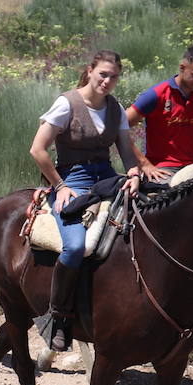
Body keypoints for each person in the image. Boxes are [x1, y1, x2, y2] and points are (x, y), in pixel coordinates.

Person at [30, 49, 155, 351]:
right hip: (73, 178)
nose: (108, 81)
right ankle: (57, 316)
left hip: (107, 177)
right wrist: (59, 186)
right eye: (103, 74)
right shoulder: (67, 103)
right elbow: (38, 149)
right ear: (89, 71)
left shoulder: (115, 108)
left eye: (113, 76)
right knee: (75, 246)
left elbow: (126, 151)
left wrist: (135, 174)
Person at [126, 45, 193, 179]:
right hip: (162, 169)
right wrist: (144, 164)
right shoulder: (157, 95)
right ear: (182, 68)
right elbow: (119, 126)